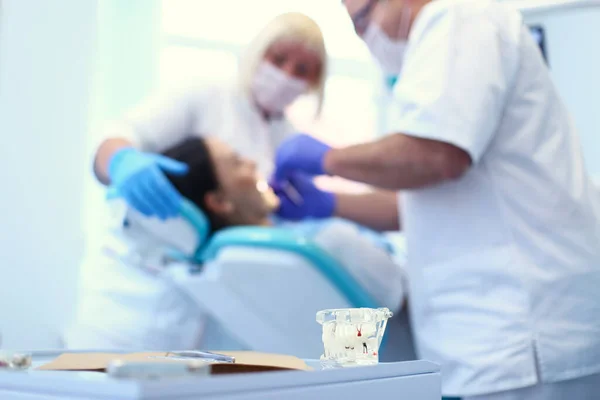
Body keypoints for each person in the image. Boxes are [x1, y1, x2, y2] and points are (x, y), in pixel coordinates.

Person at [271, 0, 600, 399]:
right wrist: (329, 203)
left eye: (362, 20)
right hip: (497, 342)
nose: (366, 37)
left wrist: (328, 160)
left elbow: (434, 156)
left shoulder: (459, 16)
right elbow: (417, 202)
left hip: (523, 335)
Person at [65, 136, 406, 351]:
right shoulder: (326, 241)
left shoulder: (216, 272)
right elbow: (393, 300)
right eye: (237, 161)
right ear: (219, 202)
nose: (253, 163)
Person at [93, 12, 327, 221]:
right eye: (278, 59)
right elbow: (120, 136)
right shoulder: (204, 93)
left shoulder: (290, 141)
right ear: (257, 52)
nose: (286, 75)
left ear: (314, 82)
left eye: (302, 70)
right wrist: (121, 160)